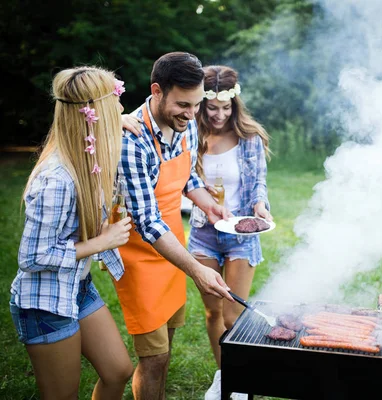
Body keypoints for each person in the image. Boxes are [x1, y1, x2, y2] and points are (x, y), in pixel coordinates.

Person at [9, 66, 134, 399]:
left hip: (77, 288)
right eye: (116, 103)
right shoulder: (57, 179)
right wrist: (100, 243)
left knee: (118, 370)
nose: (122, 109)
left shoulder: (89, 155)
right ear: (95, 114)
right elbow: (31, 257)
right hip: (45, 303)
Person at [115, 52, 234, 400]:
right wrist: (196, 269)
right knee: (154, 357)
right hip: (139, 251)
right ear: (156, 90)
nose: (191, 113)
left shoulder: (187, 124)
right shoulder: (132, 140)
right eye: (183, 104)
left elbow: (186, 180)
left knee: (167, 343)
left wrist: (208, 204)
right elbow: (147, 222)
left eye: (196, 105)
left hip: (173, 249)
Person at [187, 65, 272, 400]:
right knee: (211, 312)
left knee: (233, 312)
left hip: (239, 233)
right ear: (200, 104)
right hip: (203, 235)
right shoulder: (189, 136)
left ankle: (242, 378)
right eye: (212, 108)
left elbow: (258, 184)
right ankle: (225, 376)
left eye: (226, 108)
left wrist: (260, 206)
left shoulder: (248, 137)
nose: (219, 114)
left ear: (235, 104)